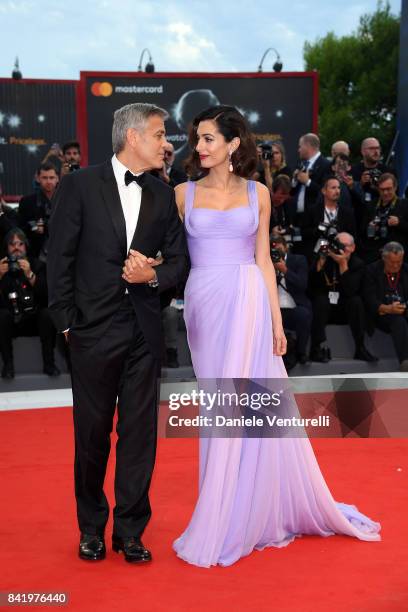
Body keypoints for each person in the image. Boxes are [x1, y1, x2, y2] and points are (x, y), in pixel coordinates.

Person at [172, 105, 380, 568]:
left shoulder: (259, 192)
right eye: (197, 139)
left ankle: (248, 509)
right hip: (205, 302)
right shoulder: (182, 194)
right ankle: (224, 507)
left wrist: (274, 320)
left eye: (208, 138)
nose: (200, 146)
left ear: (232, 144)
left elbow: (264, 260)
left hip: (247, 297)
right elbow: (172, 256)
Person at [47, 103, 188, 564]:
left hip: (145, 332)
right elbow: (59, 259)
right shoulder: (79, 185)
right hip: (91, 332)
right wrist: (68, 322)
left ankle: (130, 530)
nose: (166, 143)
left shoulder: (163, 196)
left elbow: (179, 263)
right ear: (132, 138)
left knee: (139, 434)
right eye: (159, 134)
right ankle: (91, 527)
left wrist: (150, 276)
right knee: (90, 435)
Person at [309, 232, 377, 363]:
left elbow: (351, 291)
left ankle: (360, 348)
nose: (342, 249)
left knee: (356, 301)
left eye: (346, 246)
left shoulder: (358, 264)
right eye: (339, 245)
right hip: (325, 308)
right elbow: (312, 287)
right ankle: (315, 348)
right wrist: (320, 262)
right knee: (320, 300)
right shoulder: (325, 259)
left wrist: (343, 264)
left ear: (353, 248)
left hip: (345, 310)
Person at [0, 229, 58, 379]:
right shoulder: (2, 266)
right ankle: (8, 366)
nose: (16, 248)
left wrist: (31, 276)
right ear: (6, 248)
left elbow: (49, 295)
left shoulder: (37, 265)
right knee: (2, 316)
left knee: (47, 314)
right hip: (11, 320)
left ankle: (49, 364)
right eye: (12, 245)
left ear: (26, 246)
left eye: (20, 244)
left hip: (34, 319)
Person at [363, 242, 408, 371]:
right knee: (398, 321)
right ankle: (405, 361)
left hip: (403, 310)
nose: (395, 266)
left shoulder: (405, 269)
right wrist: (388, 308)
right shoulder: (371, 270)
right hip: (381, 314)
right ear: (384, 258)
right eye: (392, 262)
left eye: (399, 262)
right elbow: (369, 300)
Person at [270, 234, 312, 365]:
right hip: (274, 309)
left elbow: (302, 285)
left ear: (286, 247)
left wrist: (285, 270)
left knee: (304, 314)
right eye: (274, 251)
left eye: (280, 249)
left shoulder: (298, 260)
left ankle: (301, 352)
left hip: (294, 306)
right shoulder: (266, 264)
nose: (277, 253)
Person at [359, 173, 408, 264]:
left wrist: (399, 223)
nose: (385, 193)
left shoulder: (405, 205)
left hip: (396, 256)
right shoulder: (370, 205)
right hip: (373, 255)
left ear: (395, 187)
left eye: (388, 189)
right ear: (378, 189)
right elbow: (361, 230)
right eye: (382, 190)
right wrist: (369, 227)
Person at [18, 162, 59, 258]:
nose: (48, 181)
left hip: (61, 253)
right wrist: (33, 227)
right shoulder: (27, 201)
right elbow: (20, 229)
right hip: (35, 253)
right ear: (38, 178)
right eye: (44, 178)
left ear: (57, 179)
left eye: (51, 178)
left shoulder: (67, 200)